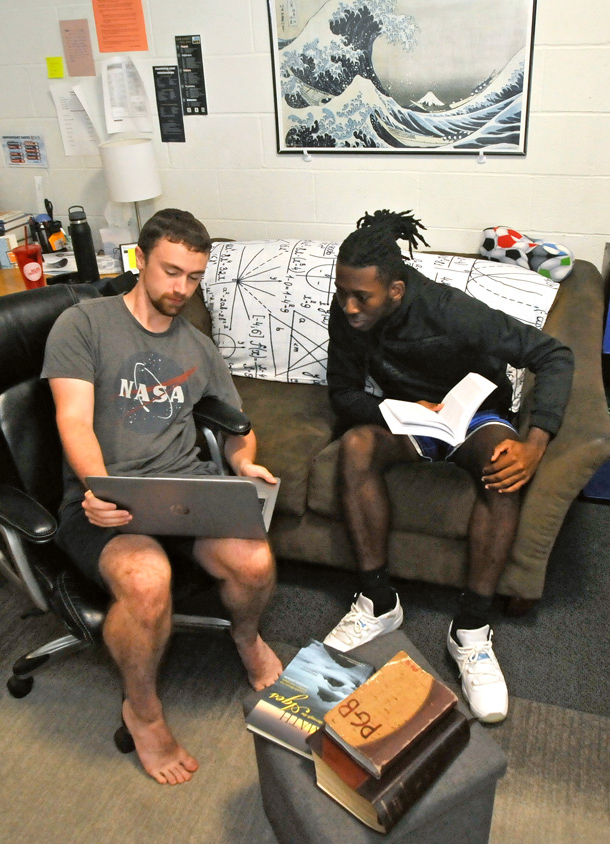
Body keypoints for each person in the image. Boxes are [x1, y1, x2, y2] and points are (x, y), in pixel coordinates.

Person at [42, 208, 282, 786]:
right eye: (171, 271)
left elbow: (234, 423)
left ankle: (245, 638)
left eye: (194, 277)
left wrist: (245, 462)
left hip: (183, 489)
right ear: (140, 259)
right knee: (147, 584)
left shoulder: (196, 344)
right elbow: (72, 419)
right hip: (106, 500)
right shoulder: (84, 326)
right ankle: (143, 712)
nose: (181, 289)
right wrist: (100, 488)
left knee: (255, 560)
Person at [322, 209, 574, 723]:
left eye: (360, 298)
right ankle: (378, 602)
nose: (347, 307)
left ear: (395, 290)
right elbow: (344, 393)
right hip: (410, 419)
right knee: (355, 448)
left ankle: (471, 633)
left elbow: (554, 355)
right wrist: (408, 413)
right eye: (342, 292)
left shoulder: (451, 310)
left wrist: (536, 443)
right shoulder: (347, 310)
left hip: (477, 416)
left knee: (504, 467)